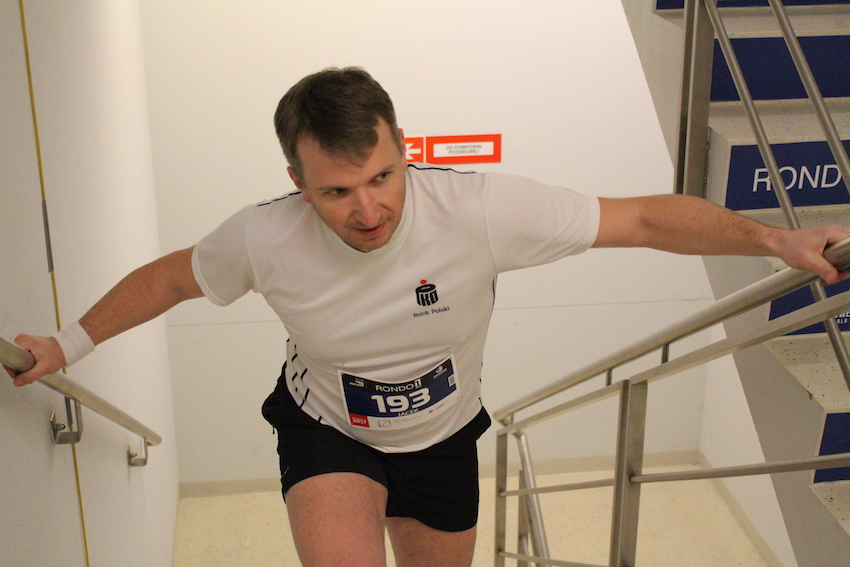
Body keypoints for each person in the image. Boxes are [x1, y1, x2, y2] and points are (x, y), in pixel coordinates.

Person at [6, 67, 850, 567]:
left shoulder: (477, 209)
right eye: (337, 191)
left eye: (382, 176)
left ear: (404, 146)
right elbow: (169, 279)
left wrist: (771, 239)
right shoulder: (264, 237)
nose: (368, 208)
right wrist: (66, 343)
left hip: (443, 436)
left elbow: (638, 218)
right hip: (328, 430)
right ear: (298, 183)